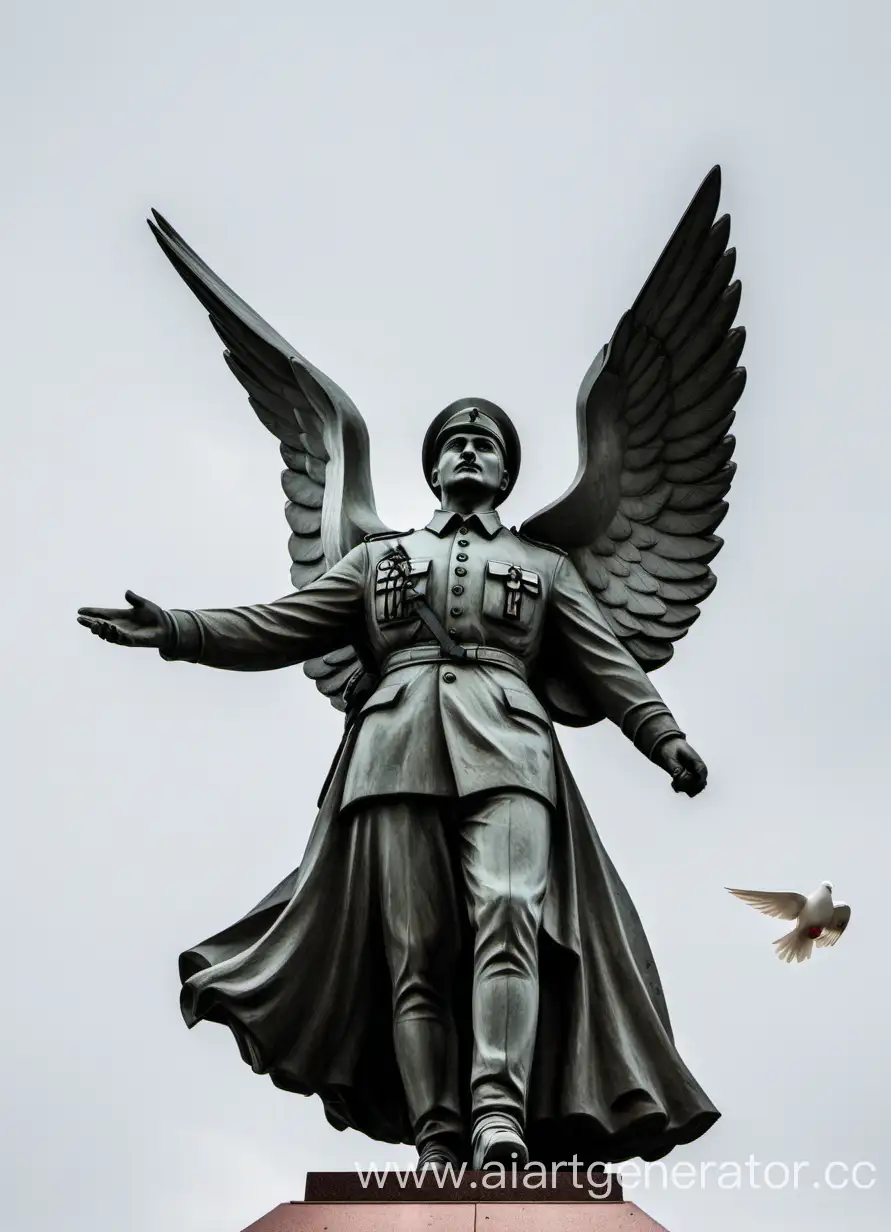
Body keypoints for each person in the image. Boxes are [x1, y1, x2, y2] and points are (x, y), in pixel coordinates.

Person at [78, 399, 715, 1171]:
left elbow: (607, 661)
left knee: (510, 914)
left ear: (507, 472)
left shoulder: (545, 566)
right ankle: (438, 1135)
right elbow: (283, 625)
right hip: (394, 752)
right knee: (416, 952)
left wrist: (663, 735)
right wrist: (179, 630)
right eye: (455, 444)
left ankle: (497, 1117)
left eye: (485, 444)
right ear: (436, 469)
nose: (470, 452)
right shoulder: (380, 557)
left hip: (512, 747)